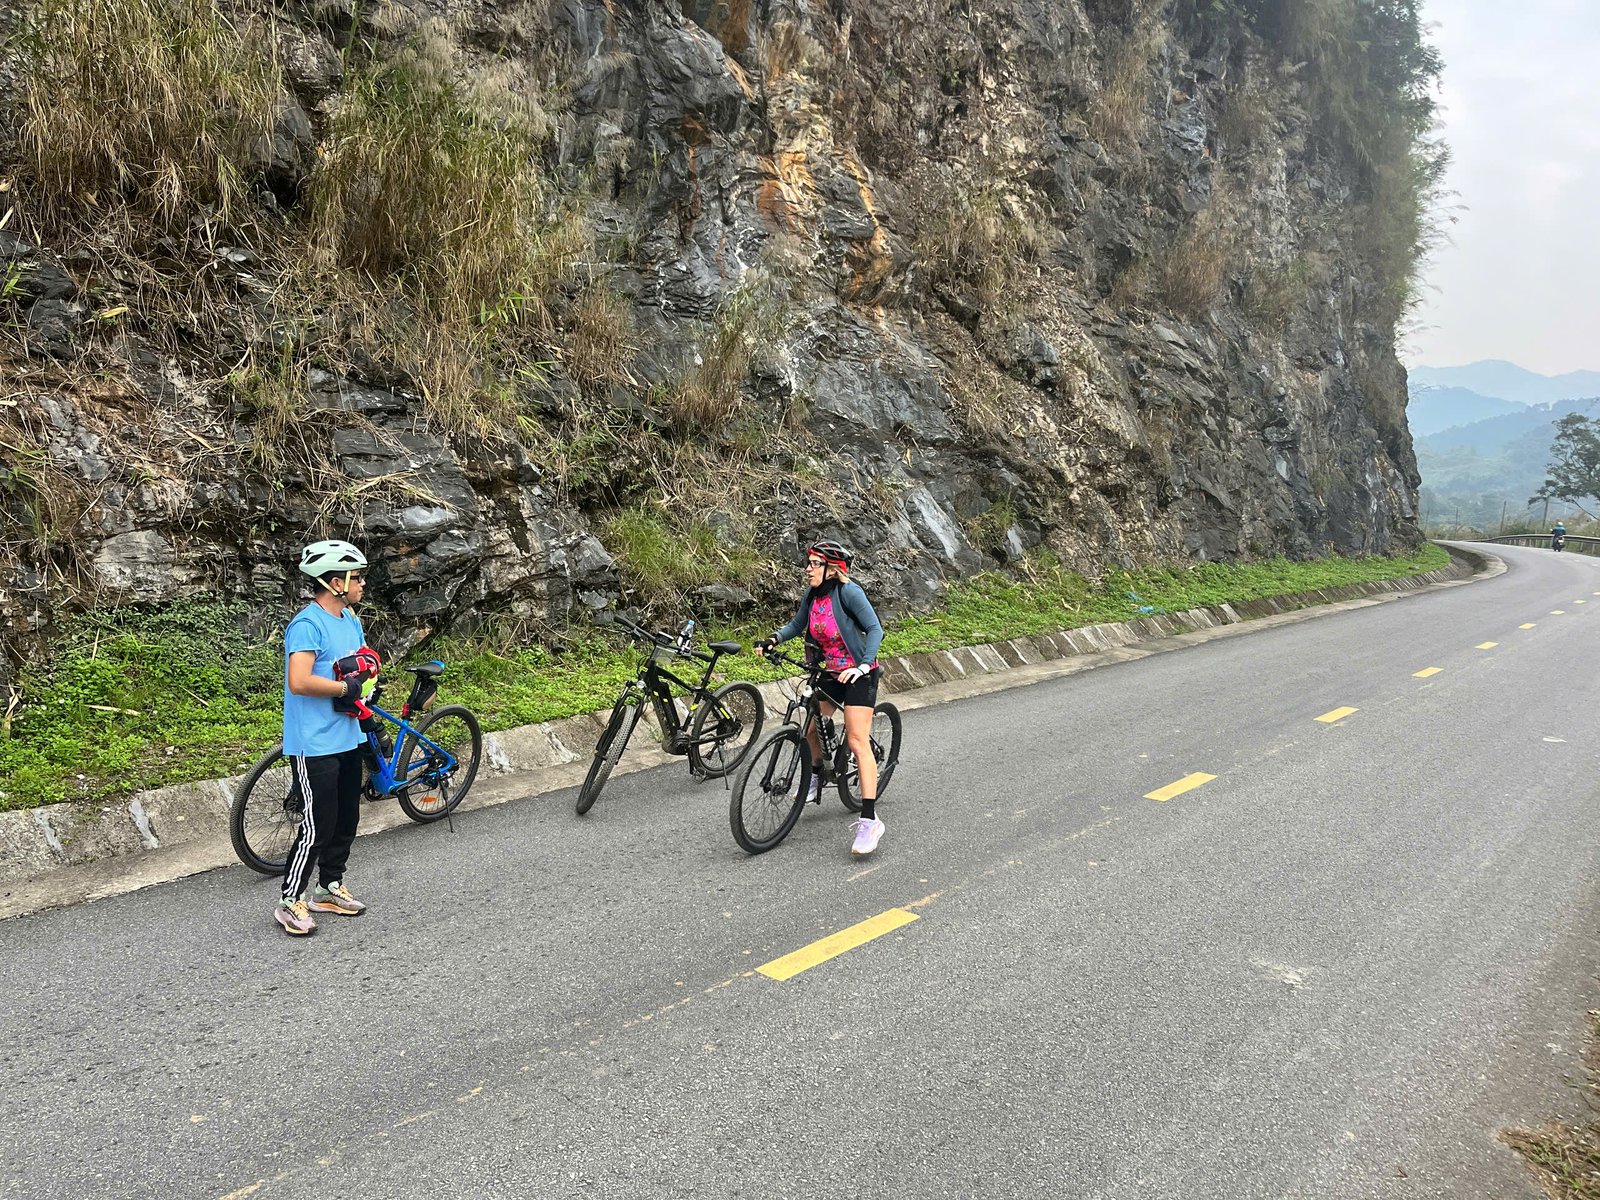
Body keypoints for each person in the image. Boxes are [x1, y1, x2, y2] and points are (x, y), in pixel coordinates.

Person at [756, 540, 887, 856]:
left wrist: (863, 665)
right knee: (813, 726)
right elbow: (797, 625)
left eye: (814, 563)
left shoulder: (849, 593)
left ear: (833, 569)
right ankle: (815, 773)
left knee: (857, 742)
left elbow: (875, 629)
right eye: (809, 563)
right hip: (829, 672)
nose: (808, 569)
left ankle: (870, 820)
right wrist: (774, 639)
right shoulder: (813, 595)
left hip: (859, 675)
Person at [274, 539, 379, 936]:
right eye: (357, 577)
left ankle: (328, 886)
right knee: (317, 824)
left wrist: (367, 683)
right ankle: (289, 900)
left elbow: (361, 661)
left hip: (347, 735)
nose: (362, 583)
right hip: (314, 741)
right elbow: (299, 681)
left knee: (346, 818)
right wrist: (343, 690)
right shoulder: (307, 624)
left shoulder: (349, 618)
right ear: (336, 581)